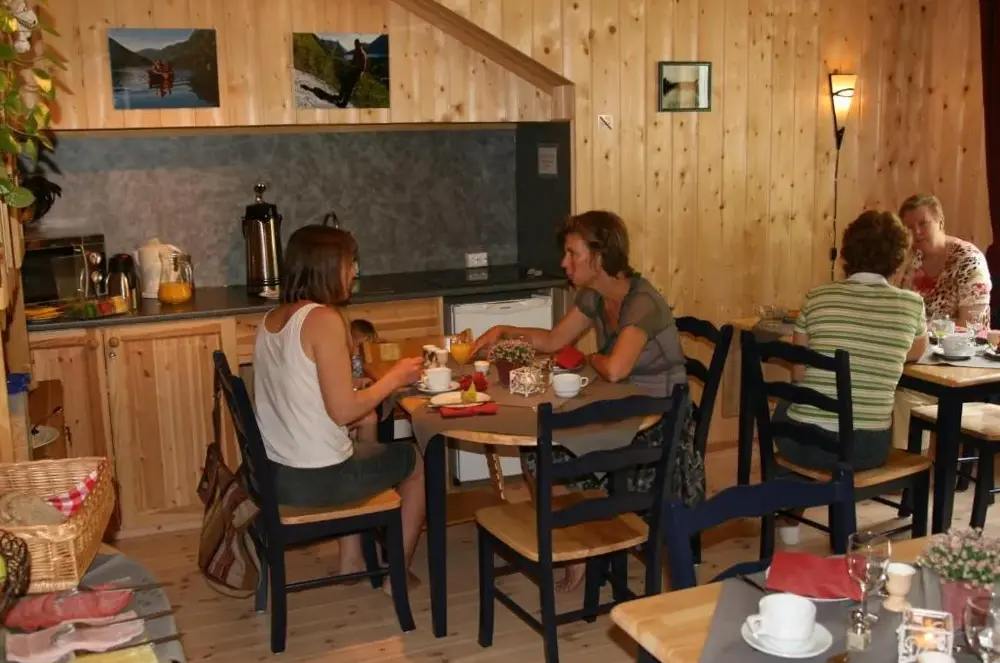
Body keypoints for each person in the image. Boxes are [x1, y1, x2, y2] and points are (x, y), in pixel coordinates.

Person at [470, 210, 696, 592]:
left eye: (572, 254)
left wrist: (590, 358)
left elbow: (616, 369)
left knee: (552, 446)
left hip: (659, 421)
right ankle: (573, 547)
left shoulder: (643, 302)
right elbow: (553, 340)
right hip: (620, 407)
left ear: (600, 257)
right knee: (538, 452)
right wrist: (504, 330)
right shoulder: (595, 295)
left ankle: (604, 545)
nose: (564, 262)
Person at [252, 225, 425, 595]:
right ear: (328, 267)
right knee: (416, 464)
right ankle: (397, 576)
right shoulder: (324, 320)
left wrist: (360, 387)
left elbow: (299, 388)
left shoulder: (272, 319)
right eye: (349, 264)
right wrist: (394, 378)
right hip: (316, 479)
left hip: (274, 472)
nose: (353, 272)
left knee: (367, 422)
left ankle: (352, 560)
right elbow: (343, 411)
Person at [774, 211, 927, 542]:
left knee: (791, 407)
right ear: (898, 259)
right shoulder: (912, 306)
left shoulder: (817, 297)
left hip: (803, 444)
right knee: (849, 417)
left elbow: (798, 372)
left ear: (846, 253)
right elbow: (916, 352)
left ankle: (788, 517)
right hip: (864, 449)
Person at [898, 193, 991, 326]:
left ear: (940, 222)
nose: (917, 232)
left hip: (963, 338)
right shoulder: (907, 259)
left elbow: (971, 324)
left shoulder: (969, 260)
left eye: (923, 224)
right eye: (910, 228)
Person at [334, 38, 369, 108]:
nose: (355, 46)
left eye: (356, 44)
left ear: (359, 44)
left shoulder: (361, 53)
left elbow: (359, 66)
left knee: (349, 88)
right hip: (353, 71)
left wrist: (351, 66)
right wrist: (350, 65)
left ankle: (343, 104)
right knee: (345, 84)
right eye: (355, 44)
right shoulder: (358, 51)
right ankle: (340, 97)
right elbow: (353, 61)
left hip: (356, 73)